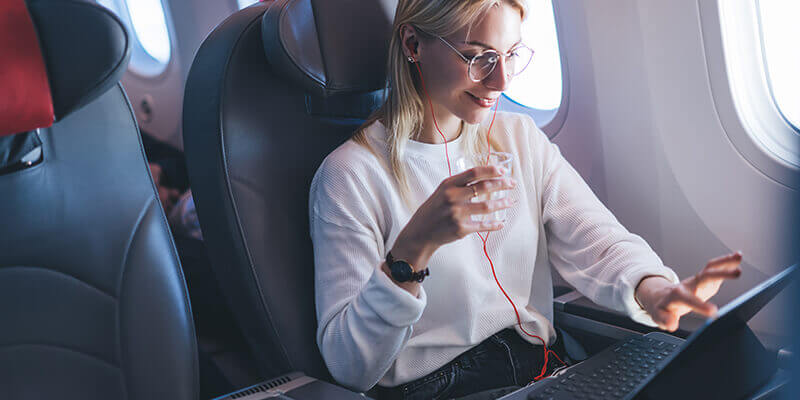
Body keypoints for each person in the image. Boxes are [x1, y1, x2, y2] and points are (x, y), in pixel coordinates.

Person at [308, 1, 742, 398]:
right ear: (413, 43)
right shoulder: (350, 175)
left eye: (510, 54)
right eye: (477, 56)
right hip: (439, 390)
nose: (501, 80)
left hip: (543, 370)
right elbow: (350, 367)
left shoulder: (518, 140)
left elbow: (598, 242)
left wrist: (656, 290)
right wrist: (413, 247)